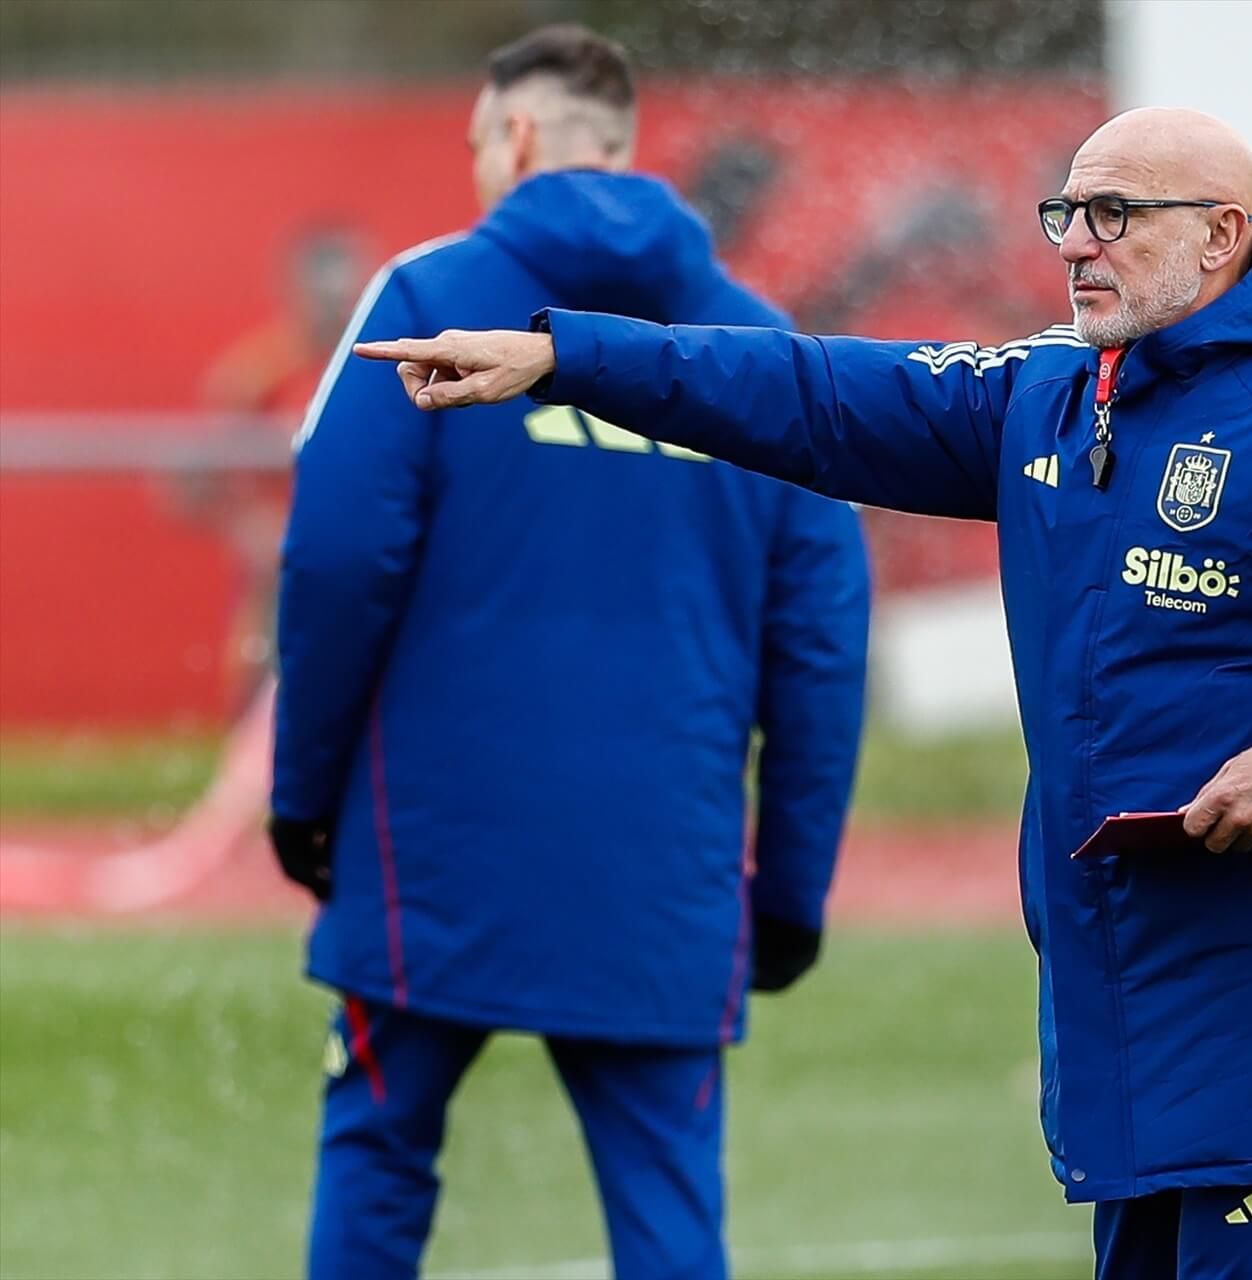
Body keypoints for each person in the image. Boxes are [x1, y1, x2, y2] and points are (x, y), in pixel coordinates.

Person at [357, 106, 1252, 1280]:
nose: (1075, 241)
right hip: (1109, 992)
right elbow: (808, 392)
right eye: (1066, 212)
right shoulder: (1050, 393)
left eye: (1114, 214)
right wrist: (567, 355)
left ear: (1224, 234)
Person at [270, 25, 870, 1280]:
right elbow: (820, 646)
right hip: (663, 864)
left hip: (431, 845)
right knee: (665, 1205)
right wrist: (791, 888)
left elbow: (334, 566)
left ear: (520, 138)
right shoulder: (769, 350)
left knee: (378, 1156)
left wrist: (302, 800)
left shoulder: (426, 302)